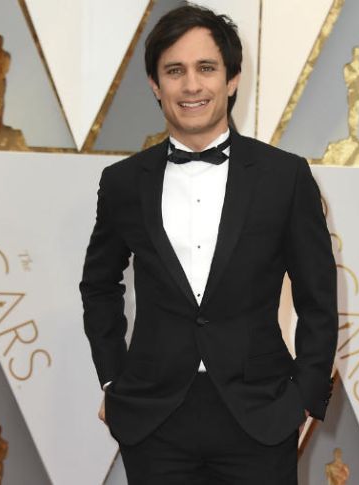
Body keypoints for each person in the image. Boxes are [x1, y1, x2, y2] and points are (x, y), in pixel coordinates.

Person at [80, 5, 337, 483]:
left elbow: (318, 297)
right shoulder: (123, 183)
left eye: (206, 68)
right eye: (174, 71)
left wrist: (306, 395)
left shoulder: (285, 177)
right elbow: (98, 284)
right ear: (155, 84)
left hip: (260, 414)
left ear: (232, 78)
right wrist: (114, 379)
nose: (191, 85)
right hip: (154, 420)